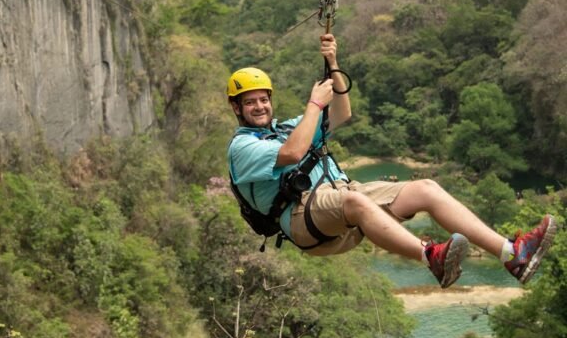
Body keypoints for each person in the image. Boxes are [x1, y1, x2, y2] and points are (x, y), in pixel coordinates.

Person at [226, 33, 557, 288]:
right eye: (250, 102)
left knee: (425, 188)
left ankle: (513, 255)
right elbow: (293, 154)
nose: (259, 106)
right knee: (353, 200)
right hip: (302, 220)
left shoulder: (289, 128)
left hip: (340, 203)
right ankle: (431, 258)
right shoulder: (241, 148)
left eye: (263, 100)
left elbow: (342, 111)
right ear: (236, 108)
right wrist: (314, 104)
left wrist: (334, 63)